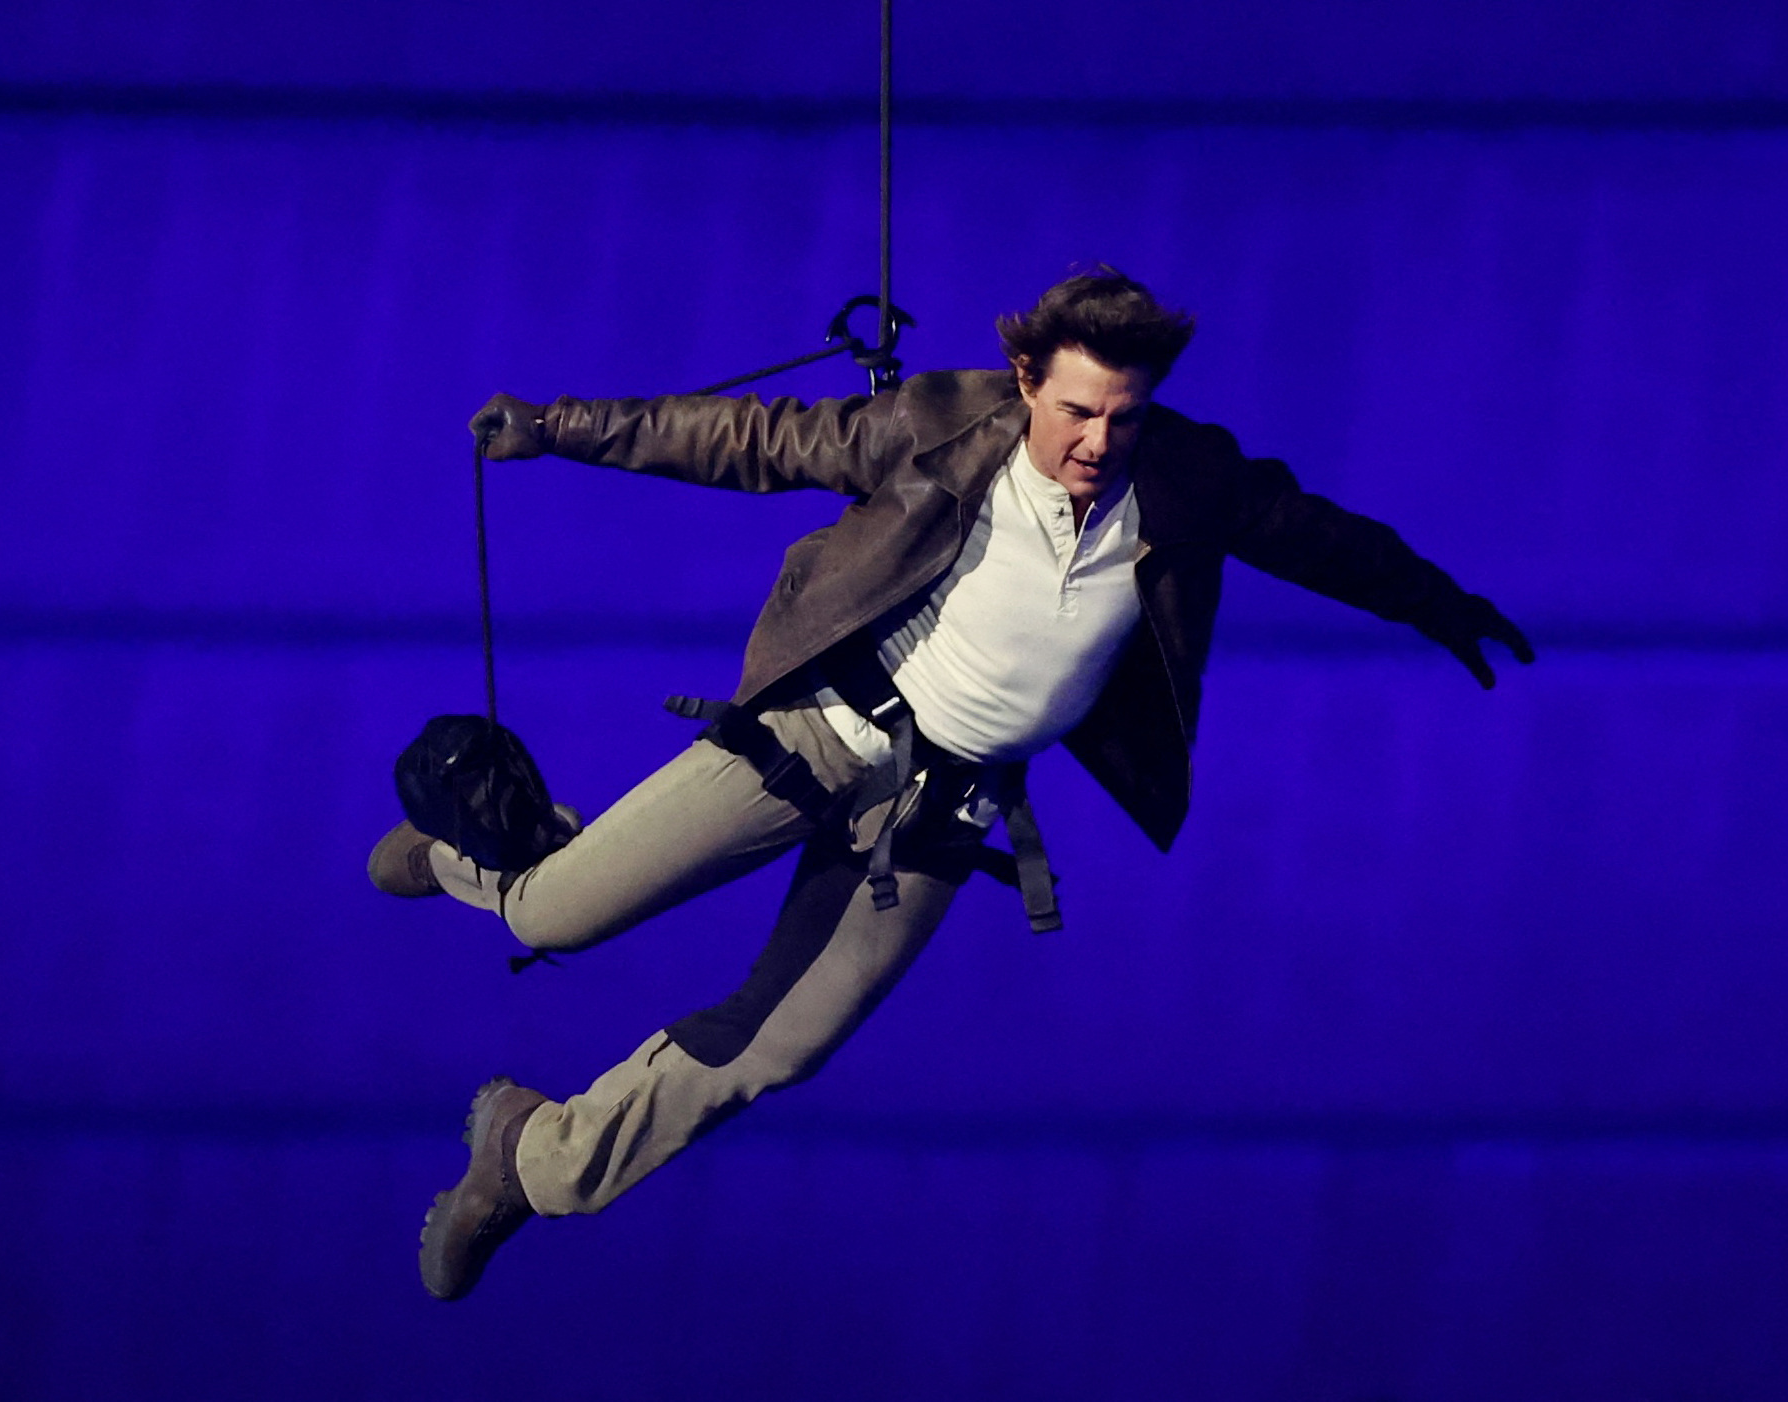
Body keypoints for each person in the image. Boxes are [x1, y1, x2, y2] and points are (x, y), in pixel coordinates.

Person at [368, 268, 1534, 1300]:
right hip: (819, 732)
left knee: (784, 1044)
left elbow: (1322, 538)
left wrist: (1439, 604)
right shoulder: (939, 424)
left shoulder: (1185, 476)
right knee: (555, 908)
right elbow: (752, 440)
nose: (1095, 441)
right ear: (1026, 378)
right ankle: (456, 860)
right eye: (1074, 410)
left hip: (938, 806)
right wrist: (558, 426)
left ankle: (532, 1158)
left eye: (1121, 418)